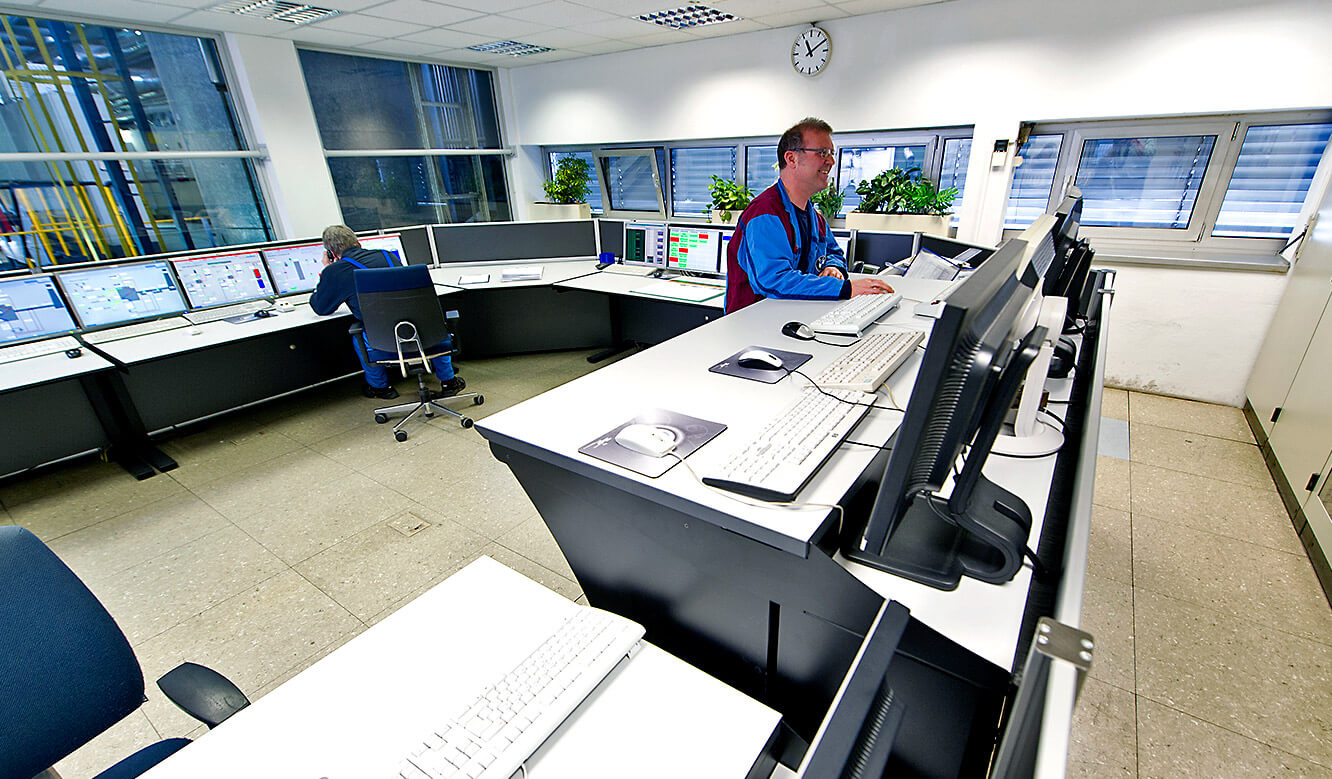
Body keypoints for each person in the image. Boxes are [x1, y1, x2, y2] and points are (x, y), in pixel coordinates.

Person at [725, 117, 895, 313]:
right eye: (822, 153)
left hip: (792, 317)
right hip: (752, 324)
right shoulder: (765, 213)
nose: (831, 161)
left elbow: (834, 253)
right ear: (791, 158)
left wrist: (834, 268)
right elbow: (774, 280)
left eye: (831, 153)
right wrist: (845, 288)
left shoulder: (815, 218)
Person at [310, 224, 464, 400]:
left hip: (383, 340)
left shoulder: (334, 271)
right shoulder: (387, 255)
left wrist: (326, 271)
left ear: (330, 253)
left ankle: (381, 388)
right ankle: (449, 381)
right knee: (433, 323)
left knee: (359, 334)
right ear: (357, 242)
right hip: (422, 332)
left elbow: (321, 307)